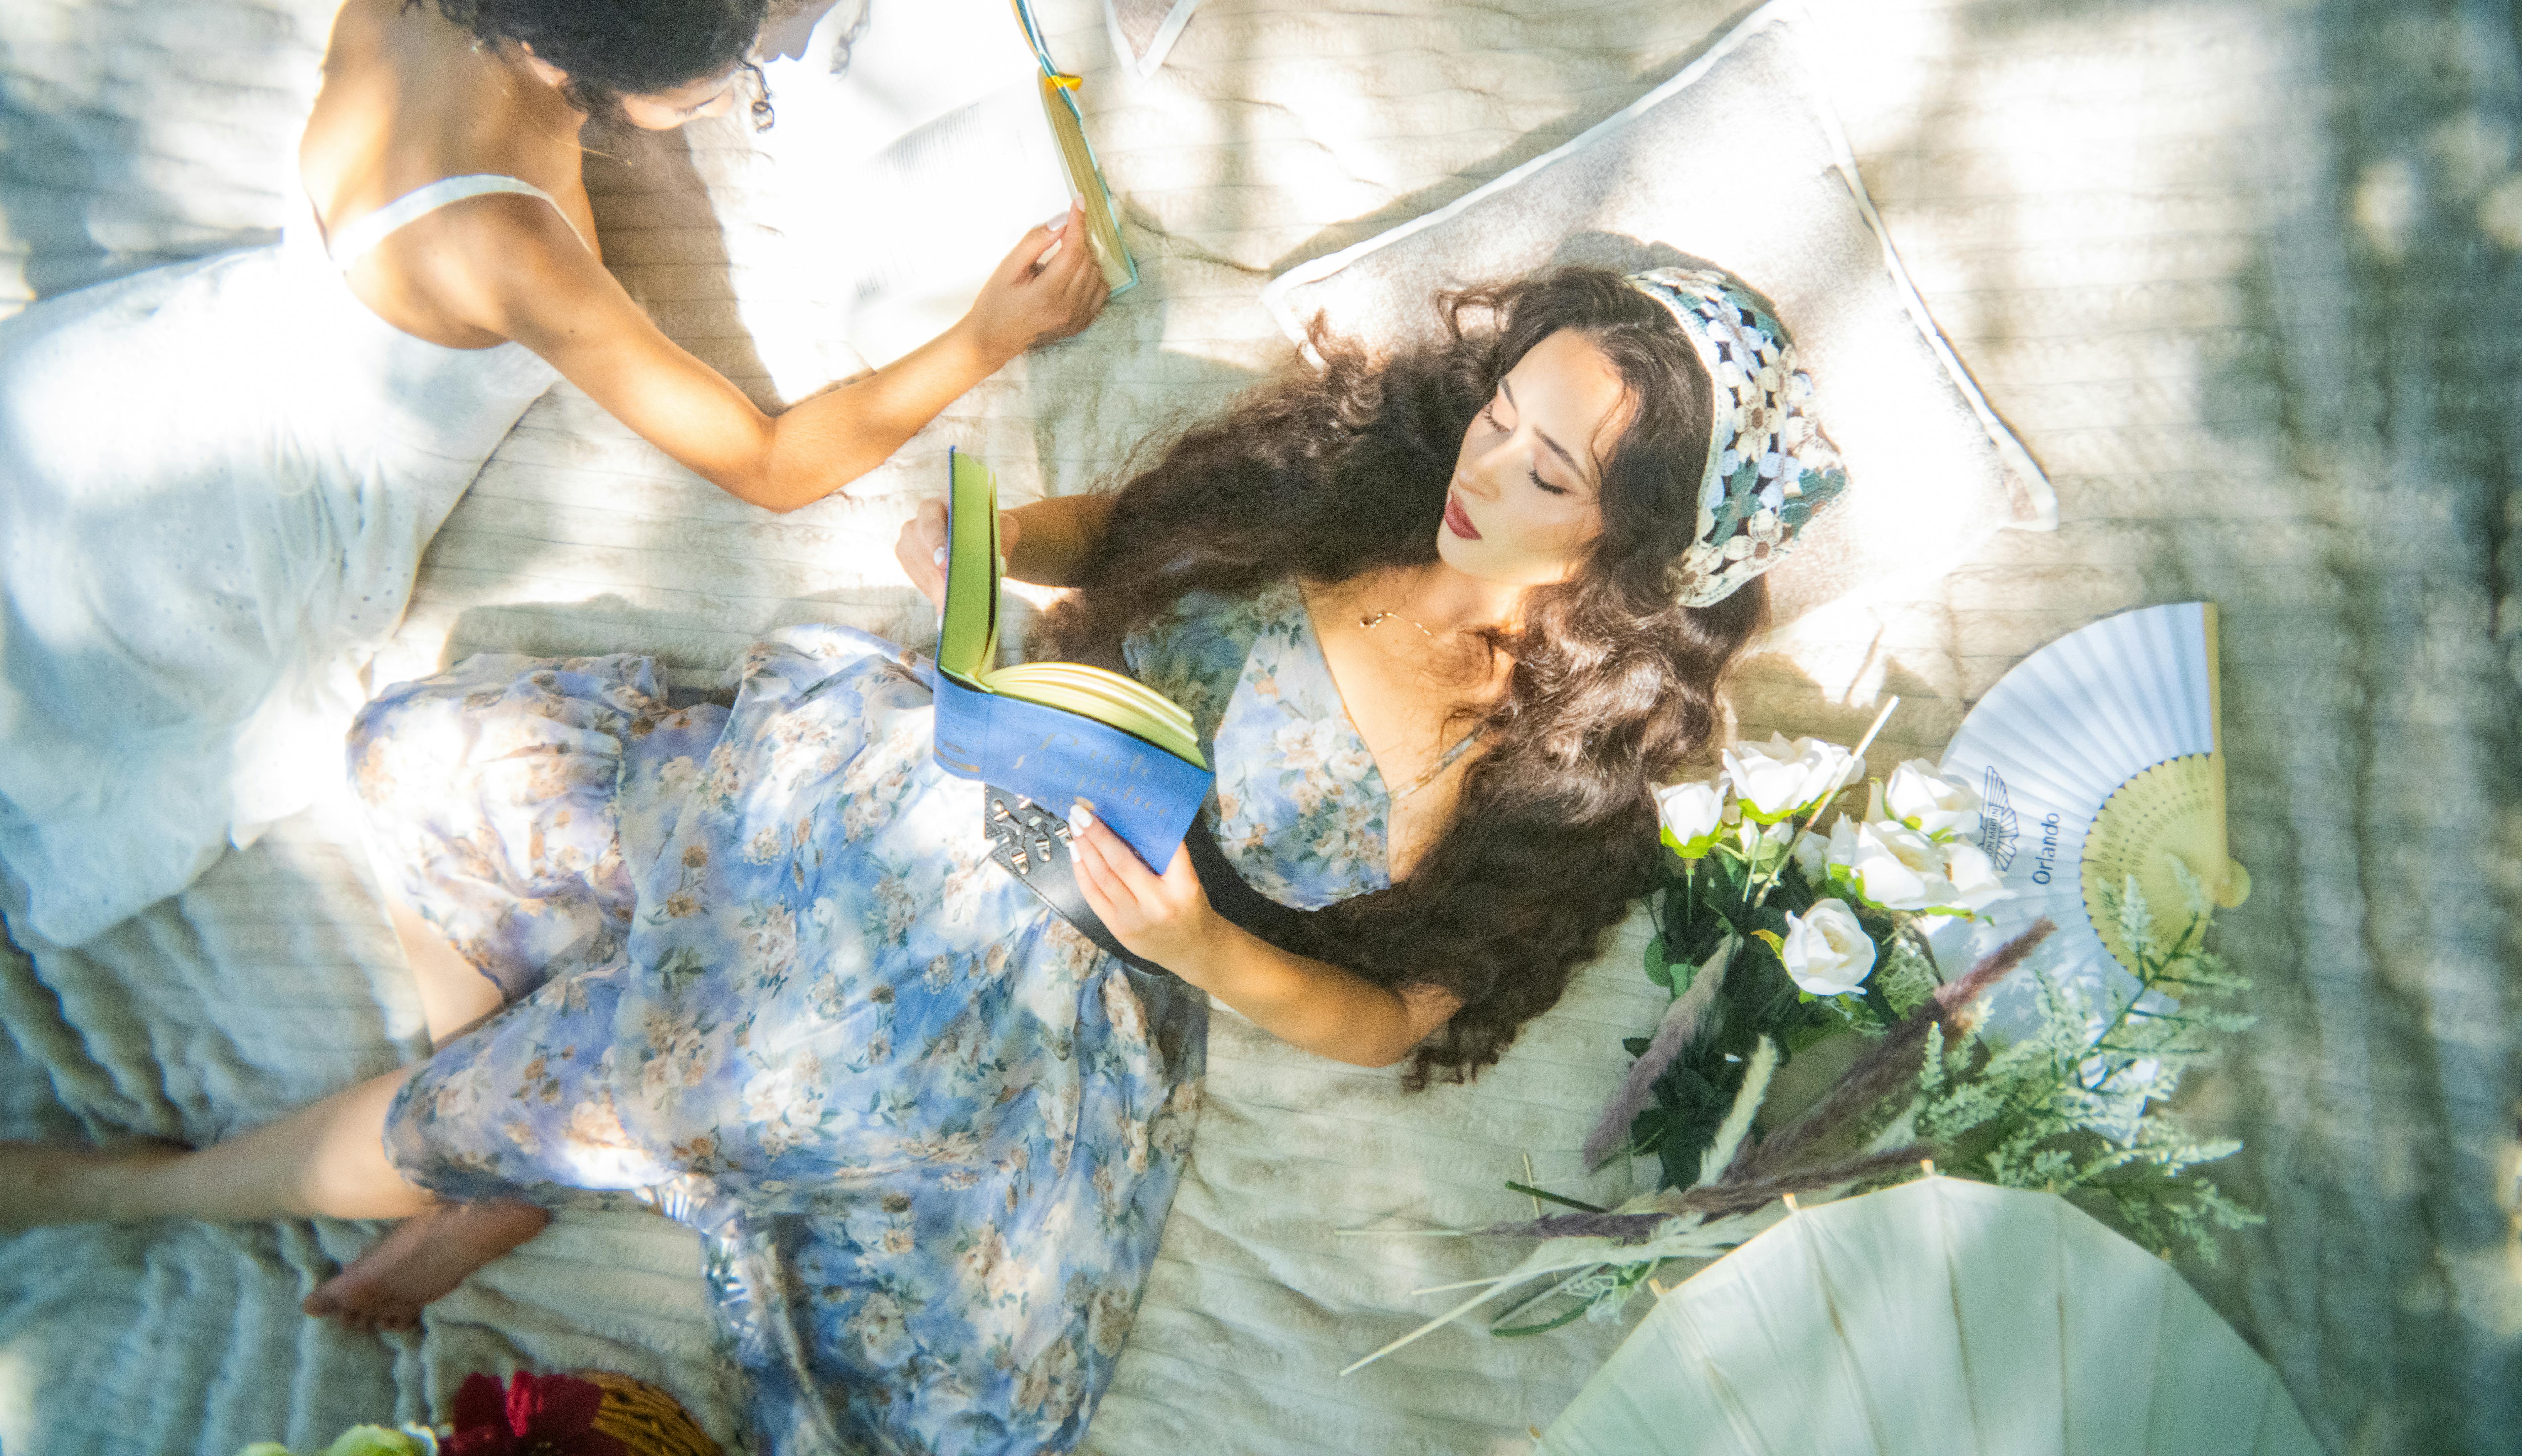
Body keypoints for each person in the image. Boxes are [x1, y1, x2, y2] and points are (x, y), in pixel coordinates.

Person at [0, 266, 1844, 1454]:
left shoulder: (1555, 758)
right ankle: (503, 1144)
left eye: (1549, 474)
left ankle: (135, 1194)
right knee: (422, 754)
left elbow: (1401, 1016)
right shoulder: (1369, 464)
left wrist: (1205, 947)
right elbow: (1127, 524)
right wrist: (972, 541)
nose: (1486, 469)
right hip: (905, 757)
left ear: (1635, 546)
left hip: (1053, 970)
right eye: (1503, 413)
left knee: (702, 1072)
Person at [0, 0, 1106, 947]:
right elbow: (769, 466)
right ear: (573, 66)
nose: (734, 89)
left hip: (117, 391)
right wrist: (988, 338)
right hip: (204, 543)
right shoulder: (507, 247)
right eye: (707, 86)